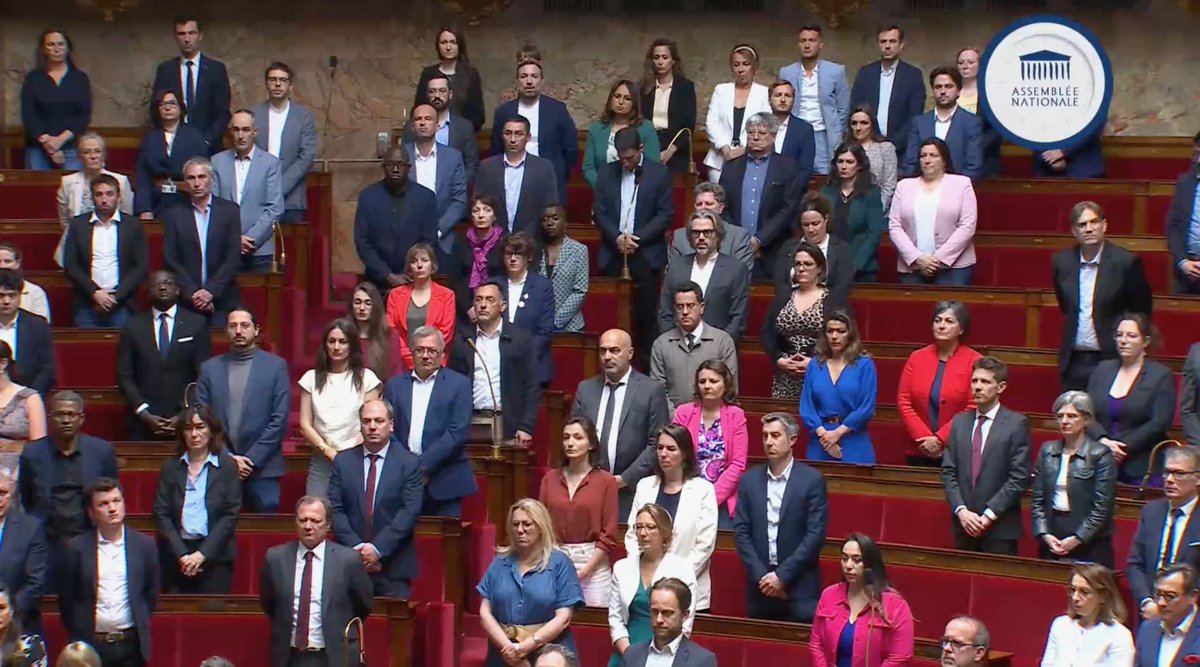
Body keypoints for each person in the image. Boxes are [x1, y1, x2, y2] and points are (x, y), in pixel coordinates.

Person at [733, 411, 827, 622]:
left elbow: (815, 535)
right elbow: (741, 531)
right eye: (765, 436)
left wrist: (782, 576)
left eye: (775, 436)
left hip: (800, 586)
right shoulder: (749, 481)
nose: (769, 442)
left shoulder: (812, 480)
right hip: (760, 588)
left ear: (792, 440)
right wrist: (763, 578)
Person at [196, 306, 291, 512]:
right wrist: (229, 458)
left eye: (245, 325)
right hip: (220, 464)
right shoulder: (209, 369)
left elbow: (279, 419)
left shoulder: (276, 366)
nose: (239, 331)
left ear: (256, 330)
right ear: (226, 331)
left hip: (263, 468)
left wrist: (251, 459)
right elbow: (203, 420)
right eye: (233, 326)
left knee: (264, 535)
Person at [259, 495, 373, 667]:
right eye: (302, 520)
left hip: (333, 656)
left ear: (328, 525)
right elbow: (269, 604)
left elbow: (363, 605)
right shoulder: (275, 558)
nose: (308, 526)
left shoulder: (348, 560)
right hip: (290, 656)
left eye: (315, 521)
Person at [1053, 201, 1154, 392]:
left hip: (1112, 356)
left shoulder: (1126, 262)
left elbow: (1141, 310)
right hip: (1074, 359)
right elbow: (1065, 305)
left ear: (1104, 225)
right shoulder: (1061, 262)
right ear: (1074, 231)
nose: (1089, 229)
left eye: (1094, 222)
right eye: (1082, 225)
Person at [594, 127, 675, 363]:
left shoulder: (659, 173)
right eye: (621, 158)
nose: (625, 163)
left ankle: (646, 366)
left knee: (645, 316)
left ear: (640, 149)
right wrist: (617, 237)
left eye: (629, 157)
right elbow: (600, 213)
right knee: (611, 313)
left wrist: (636, 238)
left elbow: (665, 214)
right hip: (613, 251)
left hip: (645, 252)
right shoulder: (607, 173)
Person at [328, 399, 424, 598]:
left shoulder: (409, 463)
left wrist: (377, 549)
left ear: (391, 425)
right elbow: (335, 509)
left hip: (394, 566)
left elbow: (410, 511)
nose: (372, 426)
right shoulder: (343, 462)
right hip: (349, 563)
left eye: (379, 421)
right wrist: (358, 549)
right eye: (366, 421)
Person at [59, 479, 158, 667]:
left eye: (116, 501)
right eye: (103, 504)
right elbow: (67, 600)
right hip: (92, 645)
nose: (112, 508)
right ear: (91, 513)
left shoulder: (144, 545)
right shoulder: (75, 548)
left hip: (131, 645)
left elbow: (149, 596)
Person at [571, 329, 670, 517]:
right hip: (589, 486)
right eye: (603, 351)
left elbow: (656, 443)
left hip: (633, 489)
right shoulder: (586, 389)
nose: (607, 357)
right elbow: (574, 435)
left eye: (614, 350)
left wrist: (624, 479)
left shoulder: (651, 390)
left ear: (630, 353)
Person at [941, 356, 1032, 555]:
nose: (978, 387)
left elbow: (1019, 477)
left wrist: (989, 515)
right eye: (974, 381)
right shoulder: (959, 423)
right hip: (963, 526)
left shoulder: (1016, 424)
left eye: (985, 382)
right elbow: (948, 472)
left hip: (999, 529)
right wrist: (961, 511)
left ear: (1001, 387)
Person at [382, 326, 477, 518]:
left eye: (431, 350)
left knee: (445, 545)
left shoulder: (459, 384)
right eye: (420, 350)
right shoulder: (395, 385)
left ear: (442, 354)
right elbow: (388, 429)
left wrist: (422, 465)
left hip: (445, 480)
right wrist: (408, 466)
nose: (425, 356)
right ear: (412, 352)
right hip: (403, 480)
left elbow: (456, 432)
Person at [477, 498, 584, 666]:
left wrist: (526, 647)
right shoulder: (499, 562)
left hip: (548, 651)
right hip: (504, 651)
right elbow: (485, 612)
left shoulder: (560, 563)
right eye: (515, 524)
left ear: (541, 527)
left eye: (527, 524)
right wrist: (509, 648)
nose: (520, 530)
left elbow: (563, 617)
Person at [624, 425, 718, 614]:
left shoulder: (703, 490)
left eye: (671, 449)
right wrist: (642, 576)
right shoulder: (645, 486)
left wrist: (672, 581)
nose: (663, 454)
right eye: (660, 448)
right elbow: (632, 536)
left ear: (684, 454)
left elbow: (704, 545)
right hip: (645, 589)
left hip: (687, 590)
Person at [152, 404, 242, 593]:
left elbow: (230, 515)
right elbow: (162, 513)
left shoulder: (227, 467)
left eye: (200, 427)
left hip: (215, 556)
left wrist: (202, 555)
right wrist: (182, 554)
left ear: (211, 430)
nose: (194, 434)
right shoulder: (170, 467)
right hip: (177, 555)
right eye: (188, 428)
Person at [116, 270, 212, 440]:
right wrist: (143, 411)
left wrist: (185, 412)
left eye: (168, 283)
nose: (162, 287)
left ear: (178, 290)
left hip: (187, 422)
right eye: (156, 284)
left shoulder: (196, 323)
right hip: (142, 421)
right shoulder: (132, 326)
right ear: (147, 292)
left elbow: (203, 374)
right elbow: (125, 375)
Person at [18, 391, 119, 547]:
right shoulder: (33, 453)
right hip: (45, 539)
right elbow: (27, 497)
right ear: (50, 418)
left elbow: (111, 493)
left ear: (82, 418)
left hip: (89, 538)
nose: (66, 420)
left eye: (71, 414)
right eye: (60, 414)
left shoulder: (101, 451)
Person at [1085, 313, 1175, 484]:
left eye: (1131, 336)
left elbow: (1160, 422)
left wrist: (1120, 447)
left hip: (1140, 463)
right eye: (1119, 335)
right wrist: (1103, 441)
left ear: (1145, 341)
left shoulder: (1160, 375)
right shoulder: (1102, 369)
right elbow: (1086, 412)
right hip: (1098, 459)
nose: (1123, 340)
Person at [538, 418, 619, 607]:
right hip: (555, 558)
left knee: (592, 622)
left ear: (591, 444)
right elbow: (540, 523)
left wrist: (586, 570)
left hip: (593, 561)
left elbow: (609, 533)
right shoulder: (550, 479)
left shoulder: (606, 481)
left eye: (577, 437)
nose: (570, 443)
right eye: (566, 438)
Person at [448, 282, 541, 446]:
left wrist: (526, 426)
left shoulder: (520, 339)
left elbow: (532, 386)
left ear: (502, 306)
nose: (483, 305)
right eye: (478, 300)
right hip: (470, 423)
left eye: (490, 300)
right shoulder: (463, 340)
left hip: (508, 424)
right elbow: (450, 385)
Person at [1031, 391, 1118, 567]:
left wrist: (1078, 538)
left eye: (1072, 416)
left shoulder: (1100, 454)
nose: (1064, 421)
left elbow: (1102, 507)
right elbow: (1037, 501)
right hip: (1053, 536)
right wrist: (1045, 534)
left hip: (1091, 542)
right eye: (1060, 416)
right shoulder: (1047, 451)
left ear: (1086, 420)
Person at [298, 319, 383, 496]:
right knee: (315, 513)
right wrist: (328, 451)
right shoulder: (311, 378)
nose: (336, 347)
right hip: (322, 459)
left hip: (358, 457)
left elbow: (370, 421)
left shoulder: (366, 378)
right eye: (332, 341)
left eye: (343, 341)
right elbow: (305, 424)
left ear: (352, 345)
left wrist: (346, 455)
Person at [608, 503, 697, 667]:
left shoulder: (682, 569)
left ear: (664, 532)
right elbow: (615, 619)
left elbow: (686, 622)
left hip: (665, 652)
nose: (643, 533)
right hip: (626, 650)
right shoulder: (621, 568)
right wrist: (630, 655)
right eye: (639, 527)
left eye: (650, 527)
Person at [896, 300, 982, 466]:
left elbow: (973, 406)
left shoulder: (975, 361)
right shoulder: (917, 358)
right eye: (937, 320)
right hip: (918, 447)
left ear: (961, 329)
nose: (941, 326)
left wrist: (940, 439)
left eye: (949, 321)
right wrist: (924, 439)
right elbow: (904, 401)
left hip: (958, 449)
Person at [719, 112, 804, 279]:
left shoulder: (787, 167)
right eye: (751, 133)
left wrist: (759, 240)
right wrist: (739, 239)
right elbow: (722, 205)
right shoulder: (731, 167)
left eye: (762, 133)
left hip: (774, 249)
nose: (755, 137)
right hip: (734, 248)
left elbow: (788, 208)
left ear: (773, 136)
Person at [810, 533, 914, 667]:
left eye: (857, 560)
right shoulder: (829, 595)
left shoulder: (895, 606)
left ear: (870, 564)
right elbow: (816, 645)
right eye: (844, 558)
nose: (848, 565)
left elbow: (900, 657)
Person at [161, 157, 244, 324]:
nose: (197, 183)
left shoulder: (229, 211)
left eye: (202, 177)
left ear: (211, 180)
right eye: (191, 178)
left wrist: (210, 292)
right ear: (185, 183)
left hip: (222, 299)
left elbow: (233, 257)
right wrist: (194, 293)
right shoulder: (173, 214)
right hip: (187, 301)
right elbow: (171, 258)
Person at [62, 174, 150, 329]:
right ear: (92, 197)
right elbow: (71, 266)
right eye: (99, 194)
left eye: (109, 194)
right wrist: (95, 292)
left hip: (123, 303)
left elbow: (140, 266)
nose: (104, 199)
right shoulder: (78, 224)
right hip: (87, 302)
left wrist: (115, 297)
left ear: (118, 197)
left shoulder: (133, 225)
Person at [889, 137, 979, 286]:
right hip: (912, 265)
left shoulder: (962, 184)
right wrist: (917, 258)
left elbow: (967, 226)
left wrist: (938, 259)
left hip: (954, 267)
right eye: (923, 156)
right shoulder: (904, 186)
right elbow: (895, 226)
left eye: (933, 155)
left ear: (944, 160)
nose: (927, 160)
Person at [1126, 445, 1200, 621]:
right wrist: (1147, 602)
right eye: (1166, 472)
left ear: (1197, 478)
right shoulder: (1151, 512)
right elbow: (1135, 564)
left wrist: (1178, 604)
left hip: (1192, 615)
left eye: (1179, 473)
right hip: (1151, 612)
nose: (1169, 479)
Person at [490, 60, 579, 203]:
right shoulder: (504, 112)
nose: (529, 81)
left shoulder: (557, 110)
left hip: (548, 182)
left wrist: (558, 174)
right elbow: (496, 149)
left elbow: (571, 149)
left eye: (534, 76)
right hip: (511, 182)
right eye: (524, 76)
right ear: (517, 81)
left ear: (542, 81)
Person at [672, 360, 747, 528]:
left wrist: (711, 497)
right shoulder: (683, 413)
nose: (707, 386)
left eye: (713, 381)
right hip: (686, 493)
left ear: (725, 384)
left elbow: (738, 464)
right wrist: (690, 494)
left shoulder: (736, 415)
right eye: (702, 381)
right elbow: (675, 454)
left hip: (721, 498)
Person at [353, 146, 438, 292]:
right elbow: (362, 242)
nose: (395, 169)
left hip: (414, 280)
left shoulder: (426, 198)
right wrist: (388, 275)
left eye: (400, 164)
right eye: (390, 164)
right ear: (383, 167)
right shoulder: (368, 197)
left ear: (409, 167)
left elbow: (429, 241)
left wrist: (412, 271)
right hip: (377, 282)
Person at [211, 109, 284, 273]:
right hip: (225, 248)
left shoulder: (270, 164)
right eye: (236, 130)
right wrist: (234, 240)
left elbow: (275, 208)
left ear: (255, 132)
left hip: (260, 250)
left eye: (246, 130)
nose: (240, 135)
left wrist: (250, 239)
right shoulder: (217, 162)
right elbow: (213, 205)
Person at [801, 310, 878, 464]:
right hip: (820, 439)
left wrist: (837, 433)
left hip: (853, 437)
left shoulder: (864, 364)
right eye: (830, 331)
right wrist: (824, 434)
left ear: (850, 334)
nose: (834, 336)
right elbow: (807, 406)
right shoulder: (815, 365)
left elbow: (866, 406)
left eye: (841, 331)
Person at [658, 212, 749, 341]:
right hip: (678, 346)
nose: (701, 237)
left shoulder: (735, 269)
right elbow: (665, 312)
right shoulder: (676, 266)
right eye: (696, 233)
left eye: (707, 232)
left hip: (718, 349)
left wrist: (719, 347)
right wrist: (674, 343)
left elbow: (738, 318)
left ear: (717, 235)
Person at [650, 283, 739, 413]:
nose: (685, 312)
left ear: (701, 307)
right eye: (680, 307)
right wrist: (678, 420)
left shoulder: (722, 341)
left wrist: (707, 420)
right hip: (674, 425)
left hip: (713, 421)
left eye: (690, 306)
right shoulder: (661, 344)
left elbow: (730, 388)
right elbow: (658, 391)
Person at [150, 17, 231, 155]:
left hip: (209, 147)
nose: (187, 39)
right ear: (176, 37)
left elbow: (223, 113)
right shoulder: (166, 70)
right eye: (182, 34)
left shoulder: (216, 69)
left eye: (191, 33)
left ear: (200, 35)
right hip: (173, 148)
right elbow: (156, 109)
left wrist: (205, 142)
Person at [779, 25, 851, 176]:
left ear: (821, 44)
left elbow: (843, 108)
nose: (807, 44)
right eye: (803, 40)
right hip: (796, 132)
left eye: (812, 40)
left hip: (824, 135)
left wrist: (837, 132)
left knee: (824, 177)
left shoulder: (836, 71)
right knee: (791, 175)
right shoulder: (787, 72)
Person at [54, 134, 135, 268]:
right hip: (77, 247)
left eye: (97, 151)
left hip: (112, 246)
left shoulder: (120, 181)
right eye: (87, 152)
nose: (93, 156)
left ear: (104, 155)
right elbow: (64, 220)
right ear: (80, 156)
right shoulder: (68, 182)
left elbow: (127, 215)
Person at [762, 242, 828, 401]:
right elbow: (767, 334)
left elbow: (839, 338)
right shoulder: (783, 297)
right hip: (786, 374)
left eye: (808, 264)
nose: (801, 268)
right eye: (797, 264)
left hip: (820, 373)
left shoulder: (831, 299)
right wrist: (780, 360)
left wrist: (815, 362)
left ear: (819, 268)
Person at [253, 62, 318, 225]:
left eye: (282, 80)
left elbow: (306, 156)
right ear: (266, 84)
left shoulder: (304, 117)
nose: (277, 84)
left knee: (292, 248)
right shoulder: (253, 114)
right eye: (272, 79)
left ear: (290, 86)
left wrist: (279, 187)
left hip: (291, 198)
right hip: (256, 195)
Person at [403, 103, 469, 261]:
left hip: (443, 240)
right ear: (412, 127)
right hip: (406, 241)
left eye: (428, 119)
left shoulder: (453, 157)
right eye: (418, 119)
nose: (423, 122)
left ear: (438, 126)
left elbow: (459, 200)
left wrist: (438, 230)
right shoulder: (401, 155)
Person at [473, 117, 559, 234]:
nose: (513, 139)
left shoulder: (544, 168)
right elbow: (478, 204)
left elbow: (549, 207)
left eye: (519, 134)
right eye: (508, 133)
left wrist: (527, 235)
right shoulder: (487, 167)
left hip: (532, 239)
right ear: (502, 136)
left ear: (528, 137)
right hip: (494, 240)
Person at [849, 24, 925, 156]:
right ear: (878, 45)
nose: (887, 46)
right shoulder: (865, 73)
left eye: (892, 41)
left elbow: (915, 116)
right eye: (883, 42)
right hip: (866, 147)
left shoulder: (913, 75)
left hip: (901, 149)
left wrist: (892, 144)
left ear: (901, 45)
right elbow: (855, 108)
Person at [21, 29, 90, 171]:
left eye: (60, 44)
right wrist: (50, 146)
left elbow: (83, 115)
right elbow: (29, 114)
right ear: (43, 49)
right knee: (38, 191)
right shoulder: (33, 78)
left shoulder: (79, 79)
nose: (56, 49)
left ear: (67, 48)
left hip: (71, 148)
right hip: (38, 149)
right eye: (51, 45)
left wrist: (60, 141)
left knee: (72, 190)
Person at [1039, 563, 1133, 666]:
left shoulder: (1119, 635)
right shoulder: (1060, 625)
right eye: (1073, 590)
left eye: (1084, 592)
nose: (1075, 597)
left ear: (1103, 596)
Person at [134, 88, 209, 218]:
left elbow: (204, 176)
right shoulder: (149, 139)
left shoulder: (195, 137)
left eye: (172, 103)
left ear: (181, 107)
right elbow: (143, 178)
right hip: (157, 202)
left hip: (188, 201)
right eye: (162, 104)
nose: (167, 107)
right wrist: (144, 209)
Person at [703, 44, 771, 184]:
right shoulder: (721, 90)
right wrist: (725, 147)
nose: (741, 69)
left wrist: (743, 149)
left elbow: (765, 125)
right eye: (736, 64)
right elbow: (712, 122)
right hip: (720, 160)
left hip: (752, 158)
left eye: (746, 64)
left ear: (754, 67)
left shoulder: (764, 93)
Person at [494, 233, 555, 387]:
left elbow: (545, 331)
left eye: (518, 254)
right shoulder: (493, 286)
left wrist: (520, 356)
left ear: (528, 257)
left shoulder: (543, 287)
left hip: (532, 366)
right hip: (497, 366)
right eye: (509, 254)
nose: (513, 259)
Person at [820, 142, 886, 283]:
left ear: (860, 165)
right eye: (840, 161)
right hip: (829, 266)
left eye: (849, 162)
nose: (844, 166)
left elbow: (874, 234)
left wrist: (856, 265)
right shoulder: (826, 192)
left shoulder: (871, 193)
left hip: (862, 270)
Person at [901, 67, 982, 181]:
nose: (943, 91)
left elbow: (974, 166)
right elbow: (910, 163)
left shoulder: (971, 123)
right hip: (924, 190)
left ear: (959, 90)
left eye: (948, 86)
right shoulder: (919, 123)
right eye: (938, 87)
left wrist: (955, 188)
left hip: (957, 191)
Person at [775, 193, 855, 308]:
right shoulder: (788, 248)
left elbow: (842, 286)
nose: (811, 229)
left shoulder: (841, 249)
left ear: (826, 219)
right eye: (806, 225)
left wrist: (818, 306)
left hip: (829, 310)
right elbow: (780, 283)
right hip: (791, 308)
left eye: (815, 224)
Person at [384, 244, 456, 370]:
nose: (419, 265)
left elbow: (446, 333)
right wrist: (412, 359)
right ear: (409, 267)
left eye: (424, 260)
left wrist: (425, 356)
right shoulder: (395, 295)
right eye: (414, 261)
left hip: (435, 363)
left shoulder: (447, 295)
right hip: (402, 364)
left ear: (432, 265)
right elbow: (392, 331)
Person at [620, 578, 717, 667]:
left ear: (685, 615)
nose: (659, 620)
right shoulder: (632, 654)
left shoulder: (702, 660)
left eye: (667, 613)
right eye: (654, 611)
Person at [583, 79, 661, 188]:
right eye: (617, 96)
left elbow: (654, 166)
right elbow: (588, 167)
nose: (621, 102)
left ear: (634, 103)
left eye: (627, 98)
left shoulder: (646, 128)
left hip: (637, 191)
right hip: (604, 192)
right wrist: (602, 188)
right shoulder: (597, 129)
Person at [408, 72, 481, 183]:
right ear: (427, 95)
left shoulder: (464, 127)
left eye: (442, 91)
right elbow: (404, 160)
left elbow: (472, 164)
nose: (437, 96)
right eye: (432, 91)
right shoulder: (412, 125)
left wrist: (458, 186)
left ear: (450, 94)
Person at [0, 468, 49, 634]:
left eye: (3, 493)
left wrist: (7, 610)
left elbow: (36, 582)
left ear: (12, 493)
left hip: (20, 627)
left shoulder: (31, 528)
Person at [640, 38, 697, 174]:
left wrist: (671, 150)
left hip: (676, 149)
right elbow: (638, 120)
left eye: (665, 57)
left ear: (673, 61)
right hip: (649, 145)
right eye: (656, 57)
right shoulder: (644, 88)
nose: (660, 62)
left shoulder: (685, 88)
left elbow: (688, 125)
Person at [414, 27, 485, 132]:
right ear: (438, 46)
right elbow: (420, 107)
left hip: (462, 136)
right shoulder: (429, 74)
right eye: (444, 42)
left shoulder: (470, 74)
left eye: (453, 42)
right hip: (432, 134)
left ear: (459, 45)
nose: (448, 47)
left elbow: (477, 114)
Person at [669, 183, 755, 271]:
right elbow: (674, 274)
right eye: (699, 204)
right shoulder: (680, 236)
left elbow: (742, 276)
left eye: (708, 204)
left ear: (721, 208)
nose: (703, 208)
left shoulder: (739, 237)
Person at [449, 196, 508, 319]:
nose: (481, 215)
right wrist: (469, 307)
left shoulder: (504, 243)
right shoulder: (461, 241)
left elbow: (507, 279)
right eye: (476, 211)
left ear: (495, 216)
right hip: (467, 308)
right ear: (471, 216)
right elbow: (456, 279)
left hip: (498, 308)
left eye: (487, 210)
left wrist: (495, 307)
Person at [0, 271, 55, 397]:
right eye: (1, 296)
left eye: (12, 296)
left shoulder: (37, 326)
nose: (6, 301)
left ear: (20, 296)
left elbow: (47, 369)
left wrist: (30, 397)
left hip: (27, 396)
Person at [1133, 564, 1200, 666]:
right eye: (1158, 595)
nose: (1161, 603)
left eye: (1170, 596)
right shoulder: (1147, 630)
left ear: (1193, 596)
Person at [535, 205, 588, 333]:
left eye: (555, 218)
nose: (549, 223)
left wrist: (554, 322)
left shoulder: (578, 250)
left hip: (571, 326)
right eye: (545, 219)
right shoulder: (535, 250)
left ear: (565, 223)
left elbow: (580, 291)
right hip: (537, 324)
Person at [955, 47, 1003, 178]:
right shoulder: (950, 91)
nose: (965, 66)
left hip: (985, 160)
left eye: (970, 62)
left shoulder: (992, 94)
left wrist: (973, 148)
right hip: (954, 159)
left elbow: (997, 130)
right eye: (961, 63)